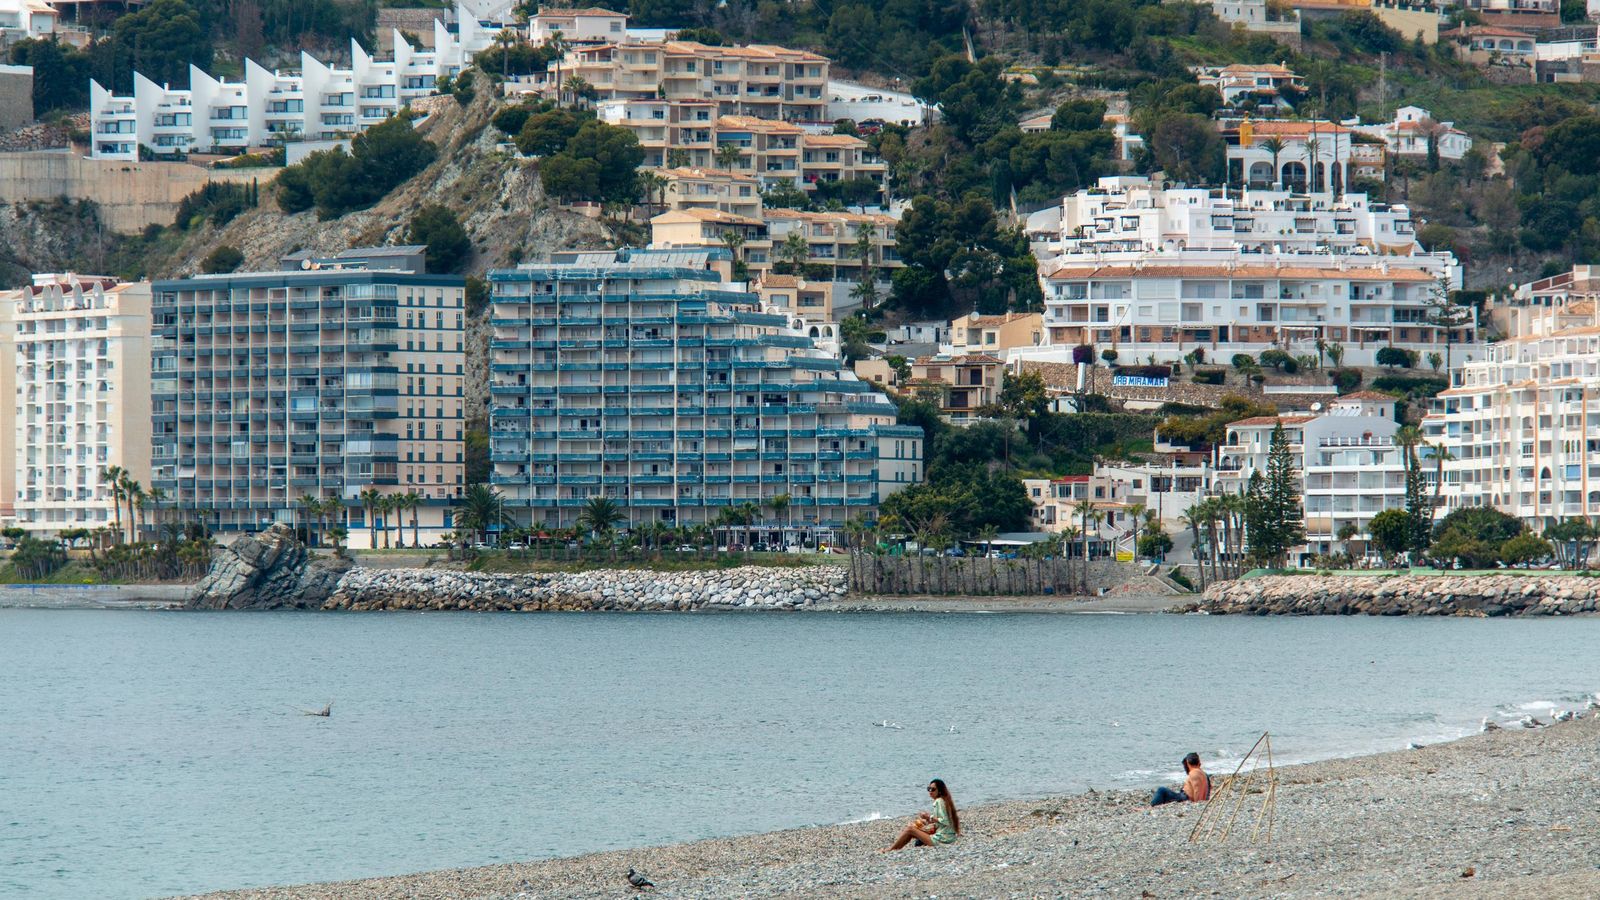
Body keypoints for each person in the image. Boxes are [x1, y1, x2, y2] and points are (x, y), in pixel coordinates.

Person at [884, 779, 960, 850]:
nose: (930, 791)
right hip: (948, 838)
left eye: (933, 789)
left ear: (939, 791)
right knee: (913, 829)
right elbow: (942, 823)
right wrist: (927, 820)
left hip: (943, 839)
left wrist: (929, 817)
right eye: (929, 789)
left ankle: (890, 850)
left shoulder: (939, 801)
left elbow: (945, 820)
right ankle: (895, 849)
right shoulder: (944, 801)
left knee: (910, 829)